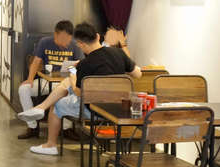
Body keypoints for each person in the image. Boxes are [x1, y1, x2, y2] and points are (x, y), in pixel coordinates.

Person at [17, 22, 141, 155]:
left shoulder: (85, 64)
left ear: (80, 44)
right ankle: (41, 108)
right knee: (66, 84)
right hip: (119, 109)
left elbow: (79, 93)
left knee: (56, 104)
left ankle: (50, 144)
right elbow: (138, 74)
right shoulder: (119, 53)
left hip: (94, 111)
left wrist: (73, 74)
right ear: (98, 37)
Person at [17, 20, 84, 136]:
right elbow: (36, 62)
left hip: (66, 83)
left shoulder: (75, 45)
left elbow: (80, 66)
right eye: (62, 38)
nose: (65, 42)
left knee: (71, 91)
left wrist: (72, 71)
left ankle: (66, 129)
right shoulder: (45, 42)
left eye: (68, 39)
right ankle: (32, 127)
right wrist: (30, 79)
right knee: (23, 89)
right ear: (55, 34)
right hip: (46, 80)